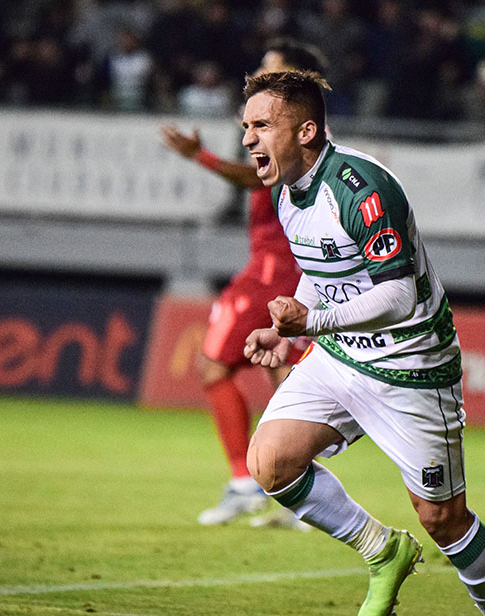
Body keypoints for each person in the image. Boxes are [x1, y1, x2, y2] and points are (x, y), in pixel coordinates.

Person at [241, 71, 485, 616]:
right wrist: (287, 327)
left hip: (411, 365)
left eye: (262, 125)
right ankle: (384, 552)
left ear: (305, 132)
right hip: (343, 356)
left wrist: (313, 323)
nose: (248, 138)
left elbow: (397, 295)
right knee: (270, 462)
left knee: (442, 518)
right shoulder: (286, 193)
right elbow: (322, 271)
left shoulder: (362, 188)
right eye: (246, 127)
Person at [158, 39, 328, 527]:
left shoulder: (293, 132)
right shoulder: (302, 130)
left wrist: (201, 157)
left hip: (271, 273)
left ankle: (243, 483)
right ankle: (296, 494)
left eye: (271, 67)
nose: (260, 70)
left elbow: (257, 181)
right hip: (290, 270)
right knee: (282, 379)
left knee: (214, 367)